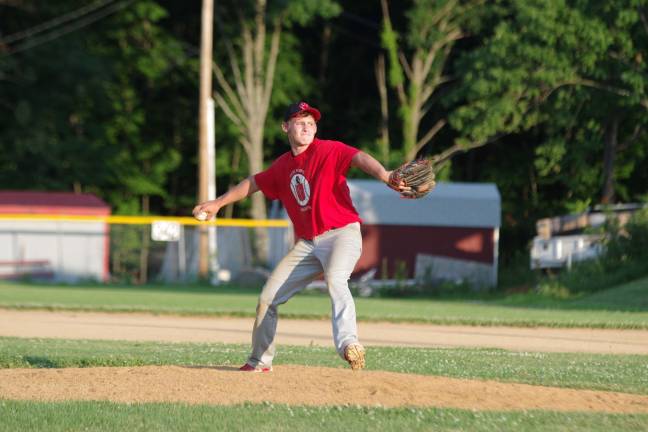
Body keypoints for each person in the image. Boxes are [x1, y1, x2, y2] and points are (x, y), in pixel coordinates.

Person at [193, 101, 407, 372]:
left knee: (336, 280)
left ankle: (349, 344)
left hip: (341, 234)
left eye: (311, 122)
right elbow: (254, 183)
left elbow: (359, 157)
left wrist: (385, 175)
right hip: (307, 244)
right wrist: (218, 203)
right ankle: (260, 361)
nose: (306, 126)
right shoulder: (282, 166)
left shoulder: (329, 150)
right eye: (299, 121)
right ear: (286, 127)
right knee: (267, 299)